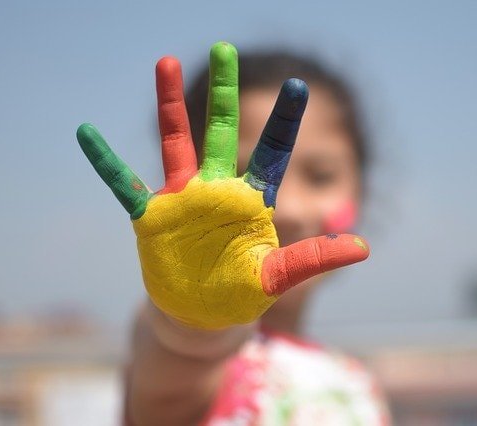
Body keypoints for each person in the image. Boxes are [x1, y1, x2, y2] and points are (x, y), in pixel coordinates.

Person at [77, 42, 390, 425]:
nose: (288, 209)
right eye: (245, 177)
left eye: (320, 176)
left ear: (362, 188)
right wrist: (197, 321)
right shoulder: (189, 352)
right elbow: (177, 353)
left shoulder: (355, 382)